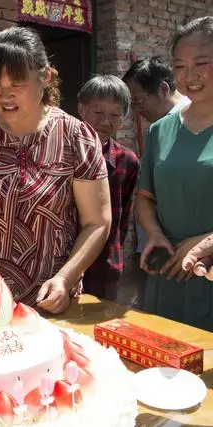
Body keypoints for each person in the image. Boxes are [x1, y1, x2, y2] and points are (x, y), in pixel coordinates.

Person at [0, 27, 112, 315]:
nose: (5, 95)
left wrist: (66, 279)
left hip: (53, 302)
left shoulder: (77, 137)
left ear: (46, 77)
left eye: (17, 83)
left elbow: (97, 221)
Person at [137, 16, 213, 331]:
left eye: (201, 63)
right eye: (180, 66)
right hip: (167, 271)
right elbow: (145, 198)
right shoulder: (160, 130)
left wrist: (208, 243)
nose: (190, 76)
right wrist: (154, 235)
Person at [123, 56, 191, 266]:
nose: (136, 110)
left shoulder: (193, 122)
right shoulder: (158, 129)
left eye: (137, 101)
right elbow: (147, 194)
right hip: (159, 247)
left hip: (188, 251)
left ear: (162, 89)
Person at [77, 75, 140, 301]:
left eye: (114, 115)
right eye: (98, 113)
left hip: (104, 266)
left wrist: (114, 253)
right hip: (61, 262)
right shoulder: (62, 154)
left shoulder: (127, 161)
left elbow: (122, 220)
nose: (106, 122)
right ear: (82, 109)